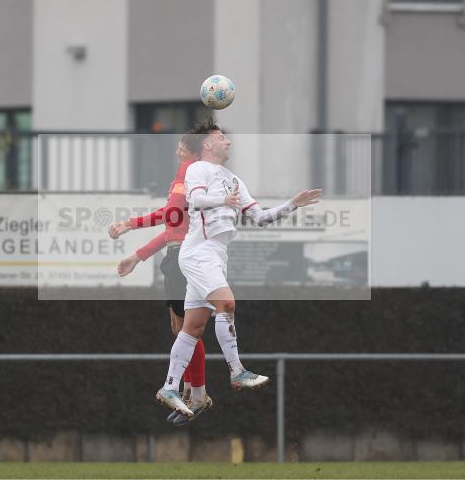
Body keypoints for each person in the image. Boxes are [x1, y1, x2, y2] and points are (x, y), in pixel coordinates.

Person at [155, 120, 322, 417]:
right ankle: (236, 371)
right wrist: (222, 199)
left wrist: (292, 204)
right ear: (207, 144)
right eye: (221, 137)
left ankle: (169, 386)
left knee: (193, 327)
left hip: (216, 255)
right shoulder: (197, 169)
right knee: (227, 303)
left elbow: (260, 217)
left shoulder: (234, 179)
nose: (228, 142)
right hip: (197, 253)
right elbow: (194, 200)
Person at [109, 135, 210, 425]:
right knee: (180, 327)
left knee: (187, 329)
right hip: (181, 255)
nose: (177, 150)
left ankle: (197, 394)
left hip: (184, 259)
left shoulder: (189, 172)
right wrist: (138, 256)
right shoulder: (194, 175)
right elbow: (173, 227)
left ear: (190, 151)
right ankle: (192, 391)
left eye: (181, 145)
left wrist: (130, 223)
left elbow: (171, 214)